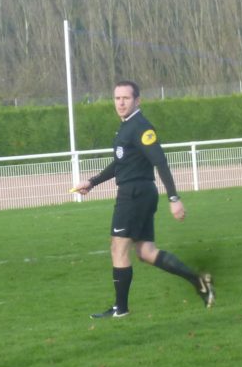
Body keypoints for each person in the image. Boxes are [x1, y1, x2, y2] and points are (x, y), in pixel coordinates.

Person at [74, 80, 214, 317]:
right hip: (139, 193)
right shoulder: (126, 126)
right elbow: (121, 163)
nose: (120, 103)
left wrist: (174, 198)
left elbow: (160, 161)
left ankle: (120, 309)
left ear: (137, 101)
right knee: (146, 252)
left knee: (118, 248)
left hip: (134, 194)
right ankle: (198, 281)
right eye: (117, 98)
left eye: (126, 98)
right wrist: (93, 182)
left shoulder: (141, 127)